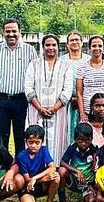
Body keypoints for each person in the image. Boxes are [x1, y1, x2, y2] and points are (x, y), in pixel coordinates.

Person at [0, 18, 37, 155]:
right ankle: (4, 165)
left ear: (20, 32)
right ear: (3, 32)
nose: (11, 34)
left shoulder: (30, 50)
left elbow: (34, 76)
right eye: (8, 31)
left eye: (14, 31)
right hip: (0, 100)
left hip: (22, 100)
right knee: (2, 135)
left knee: (21, 135)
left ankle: (20, 166)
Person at [25, 34, 73, 163]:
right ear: (42, 47)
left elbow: (67, 91)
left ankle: (55, 171)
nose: (50, 48)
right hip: (36, 111)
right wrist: (40, 108)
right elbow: (28, 88)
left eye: (54, 45)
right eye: (47, 45)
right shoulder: (34, 64)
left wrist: (53, 108)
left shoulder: (66, 66)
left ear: (58, 47)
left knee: (57, 143)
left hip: (58, 113)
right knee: (35, 140)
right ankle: (35, 170)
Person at [15, 125, 60, 202]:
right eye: (30, 142)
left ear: (42, 142)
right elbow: (27, 179)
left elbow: (52, 167)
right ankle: (30, 198)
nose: (34, 146)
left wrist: (36, 178)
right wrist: (43, 179)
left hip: (39, 184)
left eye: (37, 142)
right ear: (26, 142)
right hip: (27, 187)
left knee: (56, 177)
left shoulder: (44, 150)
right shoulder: (21, 156)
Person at [58, 123, 98, 202]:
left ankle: (88, 195)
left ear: (91, 139)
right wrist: (77, 171)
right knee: (61, 170)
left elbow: (97, 168)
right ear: (75, 139)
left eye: (87, 140)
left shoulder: (94, 149)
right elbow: (62, 162)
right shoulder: (72, 148)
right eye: (80, 140)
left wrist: (93, 184)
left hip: (87, 183)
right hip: (74, 180)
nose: (84, 143)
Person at [76, 35, 104, 121]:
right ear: (89, 48)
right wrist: (82, 113)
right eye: (94, 46)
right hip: (88, 113)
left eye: (100, 46)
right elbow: (79, 93)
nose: (97, 48)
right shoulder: (82, 68)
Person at [62, 31, 91, 141]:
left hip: (86, 102)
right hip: (66, 103)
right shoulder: (61, 61)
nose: (74, 42)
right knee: (66, 132)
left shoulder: (89, 60)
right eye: (72, 40)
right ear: (67, 44)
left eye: (77, 40)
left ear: (82, 43)